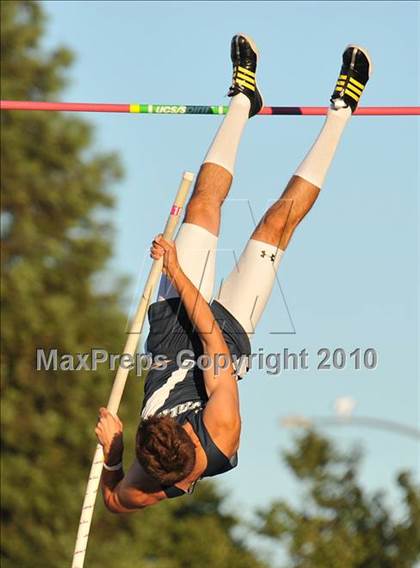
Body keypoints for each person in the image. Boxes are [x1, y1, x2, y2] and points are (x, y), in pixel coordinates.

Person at [95, 34, 372, 512]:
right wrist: (177, 271)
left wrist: (115, 458)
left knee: (203, 202)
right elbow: (208, 338)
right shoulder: (221, 432)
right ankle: (343, 108)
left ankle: (243, 99)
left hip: (166, 323)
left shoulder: (146, 474)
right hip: (223, 333)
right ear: (186, 448)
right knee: (277, 221)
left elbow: (116, 503)